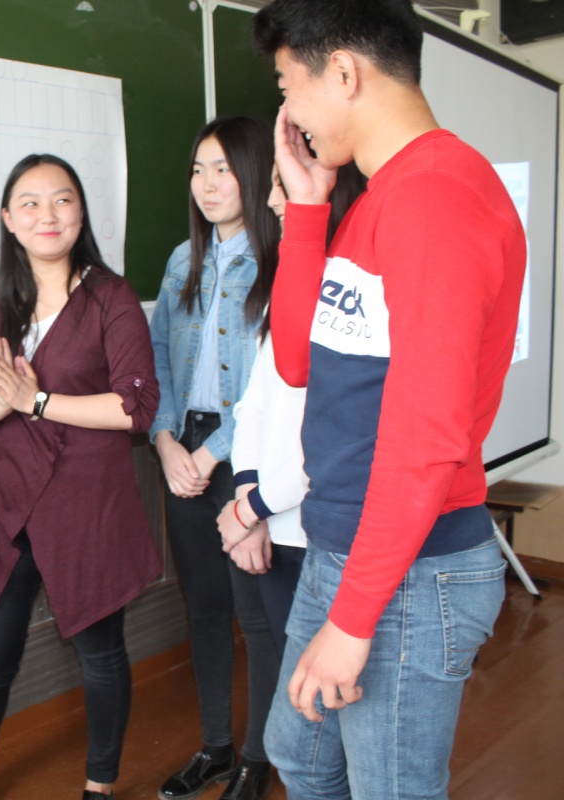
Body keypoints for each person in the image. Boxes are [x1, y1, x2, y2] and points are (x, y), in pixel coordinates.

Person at [252, 2, 526, 797]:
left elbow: (428, 435)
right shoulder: (381, 196)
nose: (289, 113)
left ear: (342, 72)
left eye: (288, 87)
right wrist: (309, 209)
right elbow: (298, 360)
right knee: (300, 756)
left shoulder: (437, 197)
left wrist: (353, 617)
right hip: (346, 543)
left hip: (413, 567)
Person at [0, 153, 161, 800]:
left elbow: (135, 407)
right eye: (30, 203)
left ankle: (99, 785)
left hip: (89, 506)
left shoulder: (111, 297)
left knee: (100, 654)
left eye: (62, 199)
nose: (48, 214)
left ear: (81, 214)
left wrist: (34, 401)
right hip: (7, 508)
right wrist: (3, 403)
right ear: (9, 219)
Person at [213, 162, 367, 799]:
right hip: (273, 523)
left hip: (323, 531)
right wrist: (248, 502)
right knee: (299, 702)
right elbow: (253, 406)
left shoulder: (356, 289)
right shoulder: (292, 284)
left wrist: (250, 509)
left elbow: (328, 444)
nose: (272, 199)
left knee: (339, 708)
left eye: (282, 184)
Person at [149, 116, 281, 800]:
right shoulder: (183, 259)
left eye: (223, 169)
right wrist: (166, 440)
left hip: (249, 454)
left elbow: (277, 384)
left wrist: (211, 454)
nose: (207, 184)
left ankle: (259, 759)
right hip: (185, 450)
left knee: (254, 616)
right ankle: (217, 749)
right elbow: (156, 360)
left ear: (254, 174)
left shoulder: (281, 261)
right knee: (203, 610)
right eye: (198, 170)